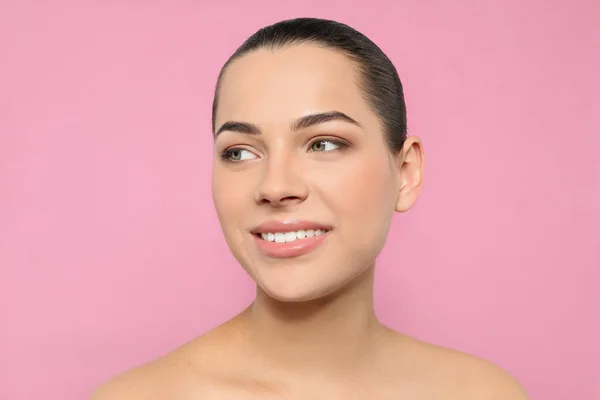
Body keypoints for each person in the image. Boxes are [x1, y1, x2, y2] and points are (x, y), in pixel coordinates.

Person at [91, 17, 528, 399]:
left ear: (406, 172)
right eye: (240, 152)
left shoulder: (483, 394)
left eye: (324, 143)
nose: (276, 186)